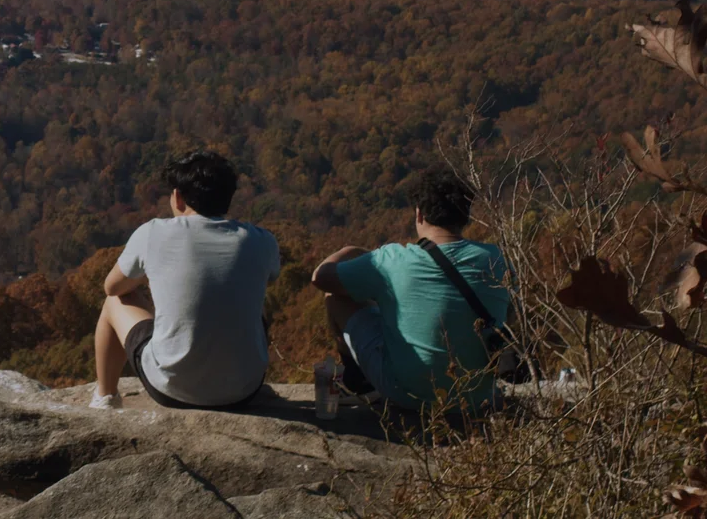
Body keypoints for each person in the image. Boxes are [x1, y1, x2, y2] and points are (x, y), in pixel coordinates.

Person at [309, 166, 514, 414]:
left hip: (408, 395)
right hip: (477, 397)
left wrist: (350, 250)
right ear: (465, 215)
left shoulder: (391, 260)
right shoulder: (497, 259)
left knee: (337, 296)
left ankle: (357, 383)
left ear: (419, 214)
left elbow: (320, 278)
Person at [91, 150, 281, 410]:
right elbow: (270, 278)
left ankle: (105, 398)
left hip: (171, 390)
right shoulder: (262, 240)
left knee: (114, 301)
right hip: (245, 390)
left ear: (177, 197)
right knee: (251, 300)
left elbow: (112, 286)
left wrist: (155, 274)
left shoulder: (153, 233)